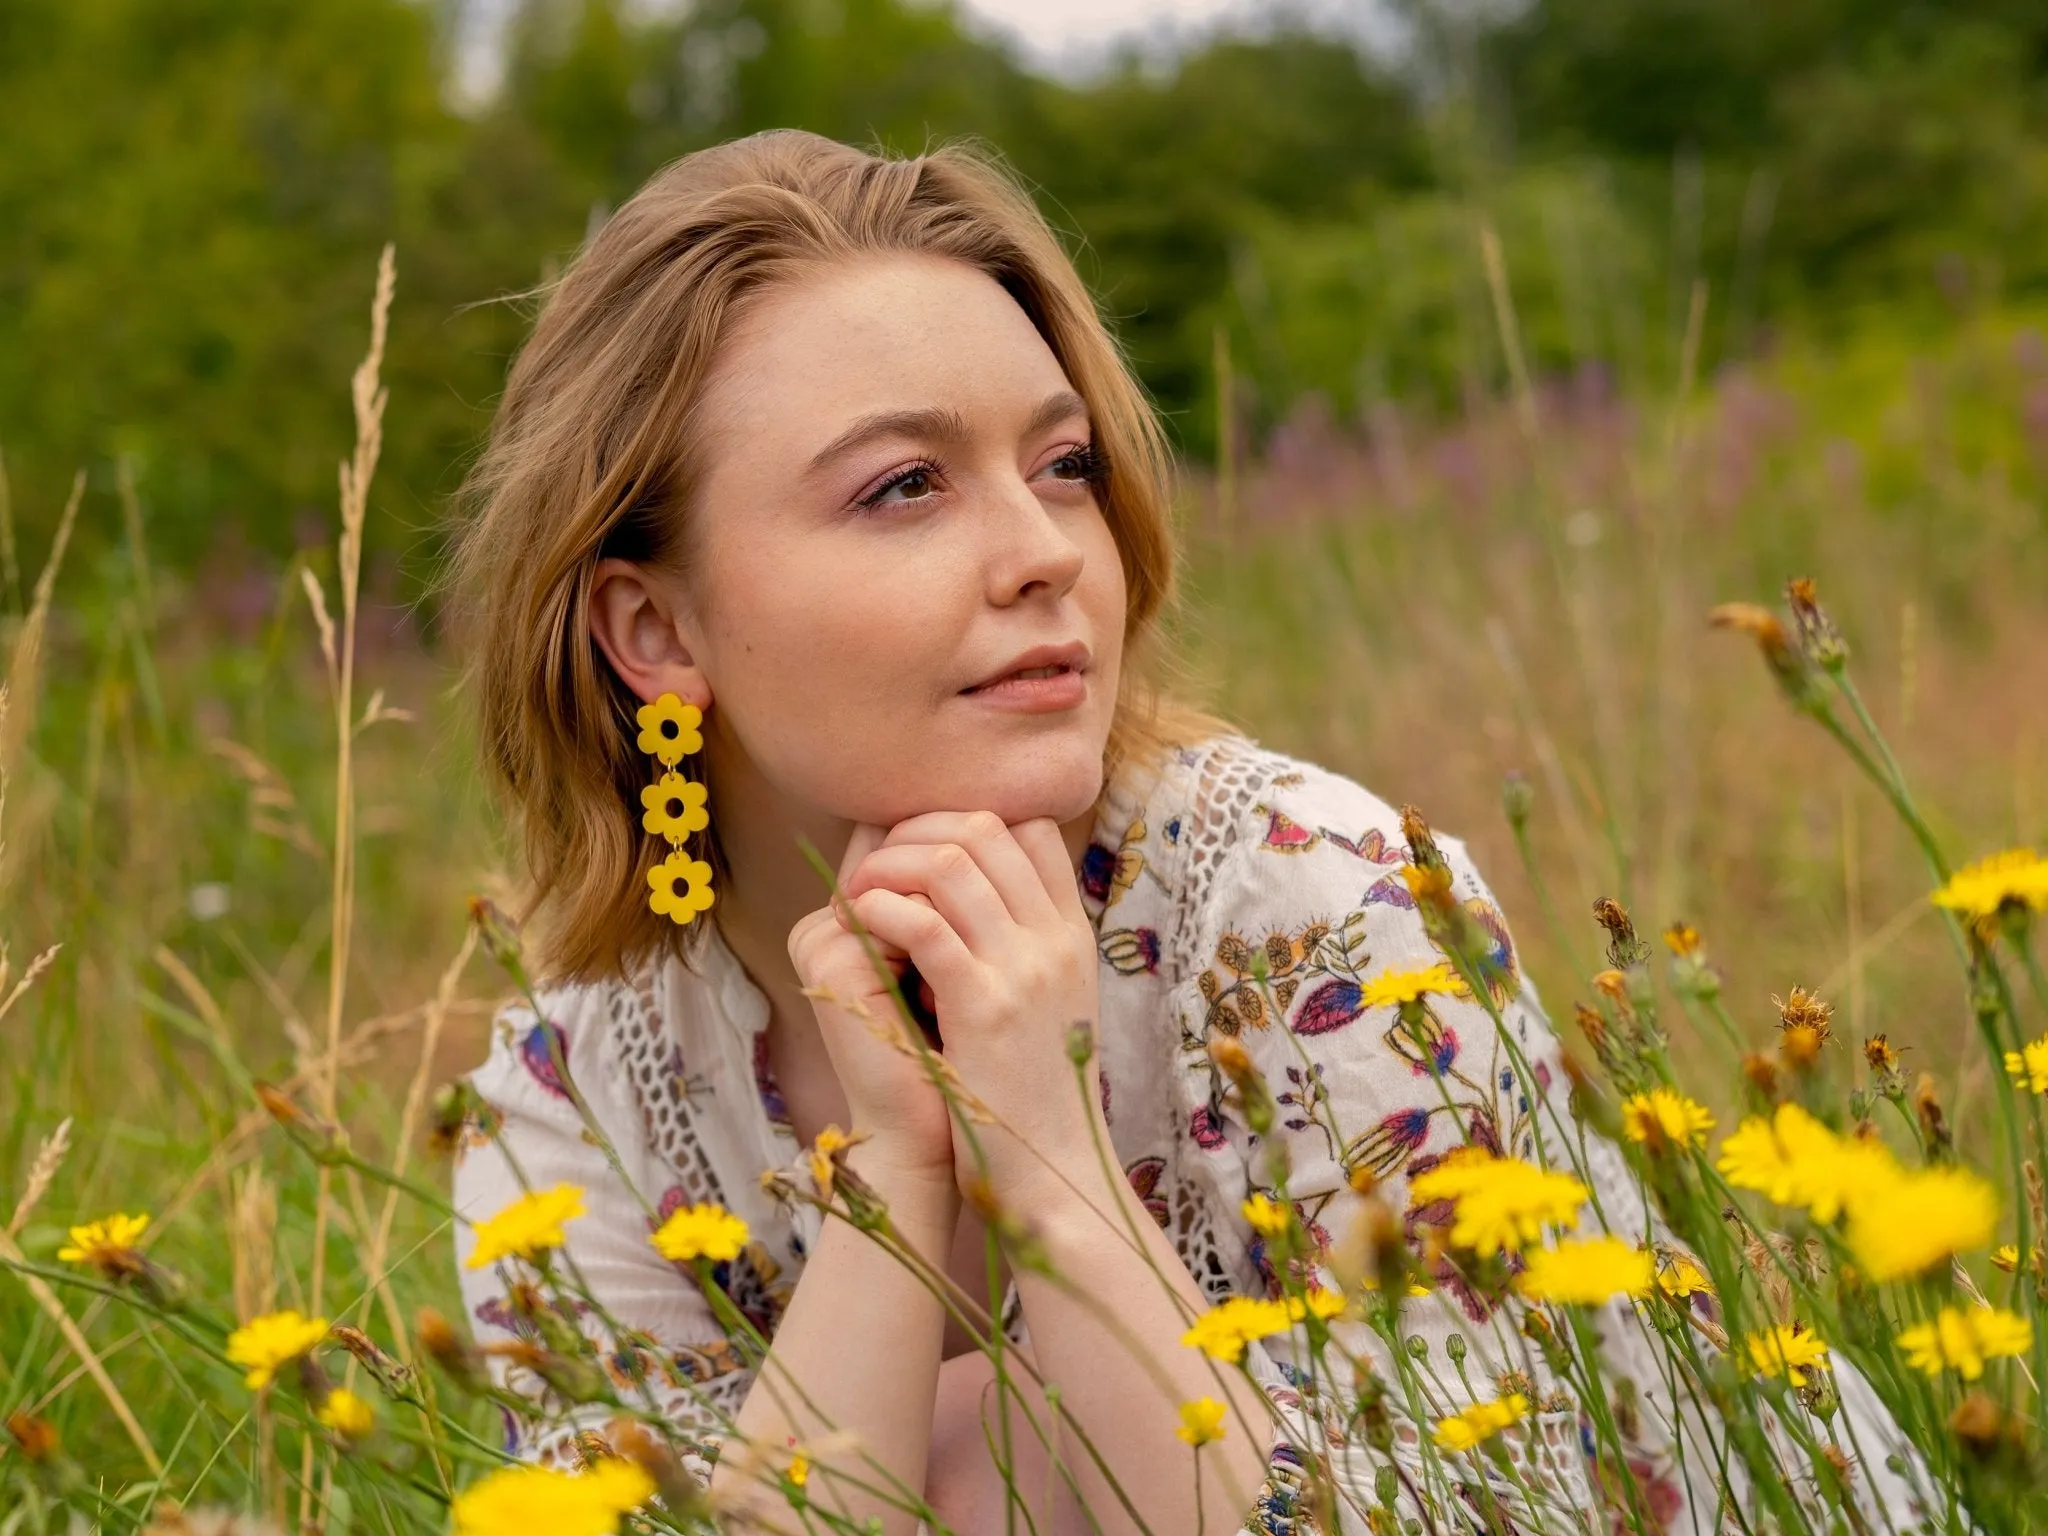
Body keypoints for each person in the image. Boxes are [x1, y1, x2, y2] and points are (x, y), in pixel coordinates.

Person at [444, 129, 1928, 1534]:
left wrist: (1046, 1146)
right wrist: (897, 1188)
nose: (1043, 553)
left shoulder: (1316, 905)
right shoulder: (575, 1107)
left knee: (1015, 1441)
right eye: (905, 488)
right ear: (652, 623)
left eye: (1063, 464)